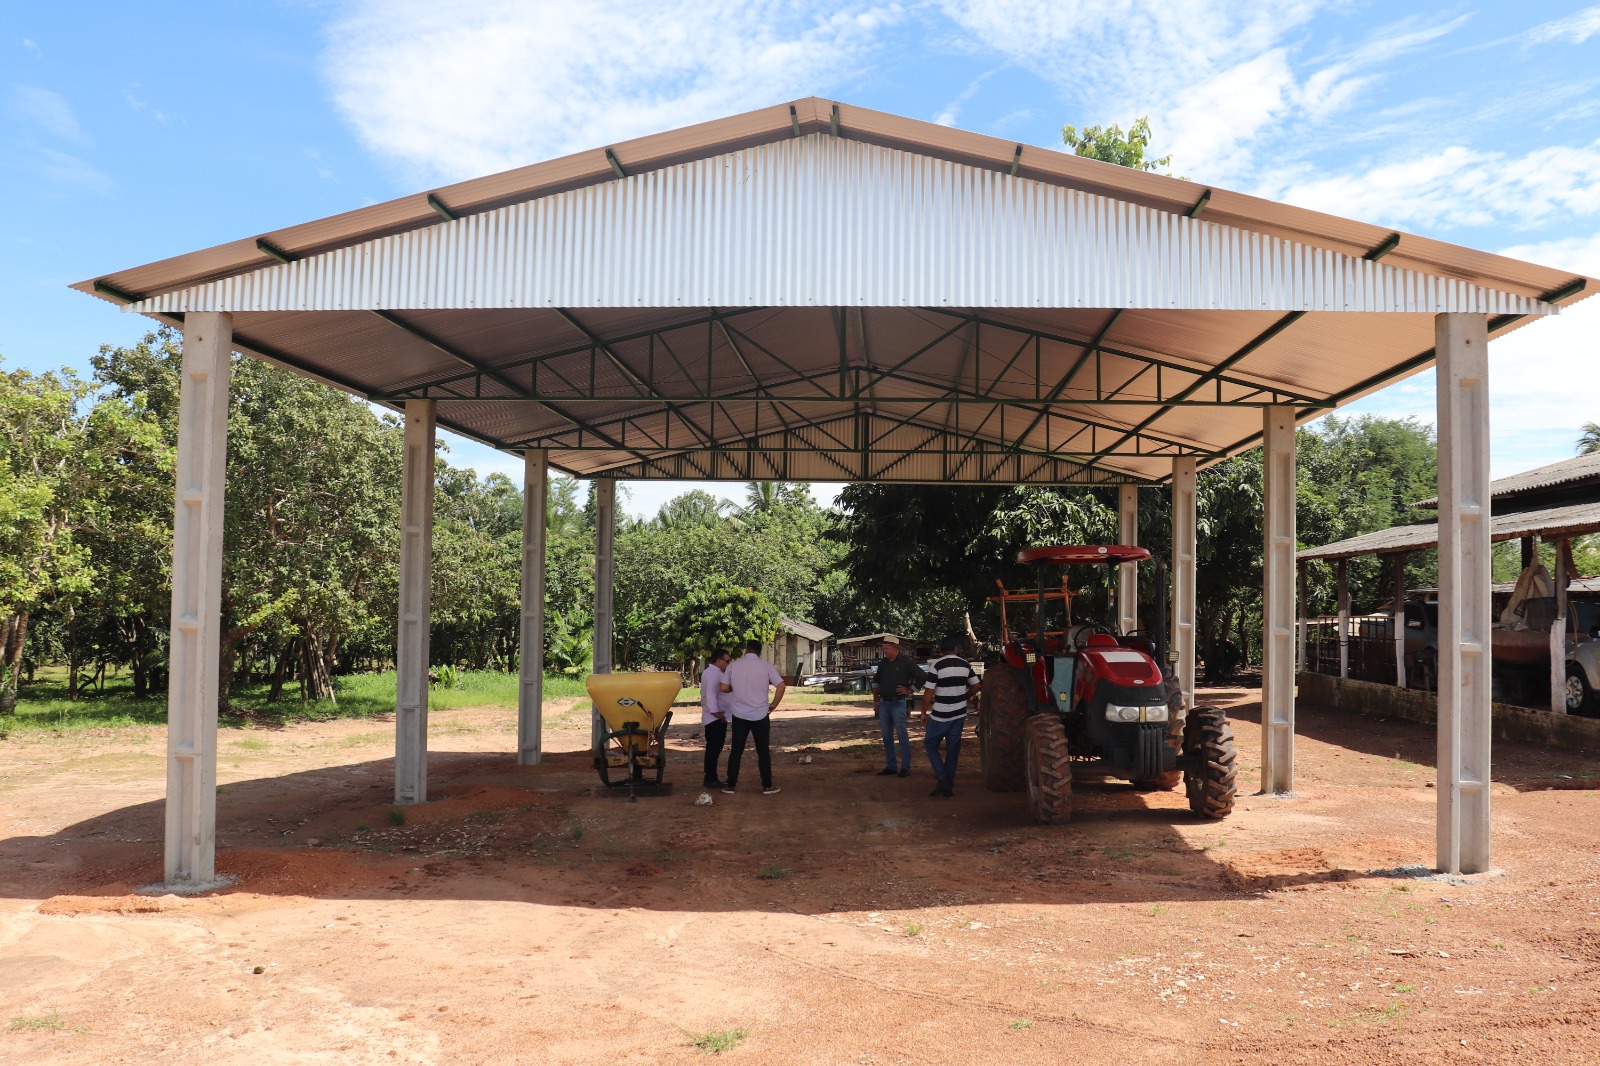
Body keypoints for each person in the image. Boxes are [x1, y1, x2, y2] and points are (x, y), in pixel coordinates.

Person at [718, 639, 786, 795]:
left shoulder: (734, 666)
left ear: (746, 650)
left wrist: (734, 689)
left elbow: (723, 687)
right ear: (759, 652)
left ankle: (730, 785)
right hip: (761, 714)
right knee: (763, 752)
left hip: (739, 714)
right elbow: (781, 685)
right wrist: (774, 705)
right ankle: (767, 786)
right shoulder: (765, 666)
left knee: (736, 751)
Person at [920, 635, 980, 797]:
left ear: (940, 651)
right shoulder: (965, 665)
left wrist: (923, 711)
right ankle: (949, 783)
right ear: (956, 649)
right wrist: (965, 697)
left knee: (930, 745)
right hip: (959, 713)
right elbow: (976, 685)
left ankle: (942, 777)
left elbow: (929, 691)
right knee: (953, 749)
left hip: (940, 714)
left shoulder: (936, 666)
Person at [871, 636, 926, 777]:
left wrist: (910, 690)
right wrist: (876, 700)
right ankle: (891, 766)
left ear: (895, 648)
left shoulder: (906, 663)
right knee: (886, 736)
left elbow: (922, 676)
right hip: (884, 703)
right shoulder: (883, 663)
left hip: (898, 702)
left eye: (886, 649)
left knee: (902, 734)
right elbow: (876, 682)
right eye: (883, 649)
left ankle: (905, 767)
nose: (884, 651)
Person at [700, 648, 732, 788]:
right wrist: (716, 712)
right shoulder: (714, 674)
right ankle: (710, 778)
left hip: (715, 716)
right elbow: (710, 695)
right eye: (727, 660)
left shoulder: (713, 672)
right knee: (713, 749)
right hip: (714, 718)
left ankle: (711, 777)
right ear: (719, 660)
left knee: (714, 748)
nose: (728, 663)